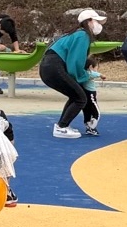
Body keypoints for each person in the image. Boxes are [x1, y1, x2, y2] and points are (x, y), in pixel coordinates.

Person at [40, 9, 106, 139]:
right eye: (97, 21)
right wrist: (84, 77)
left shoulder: (76, 34)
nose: (99, 25)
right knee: (81, 98)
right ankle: (61, 127)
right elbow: (75, 62)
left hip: (48, 66)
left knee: (75, 95)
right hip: (54, 67)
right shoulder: (83, 35)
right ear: (89, 21)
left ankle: (62, 125)